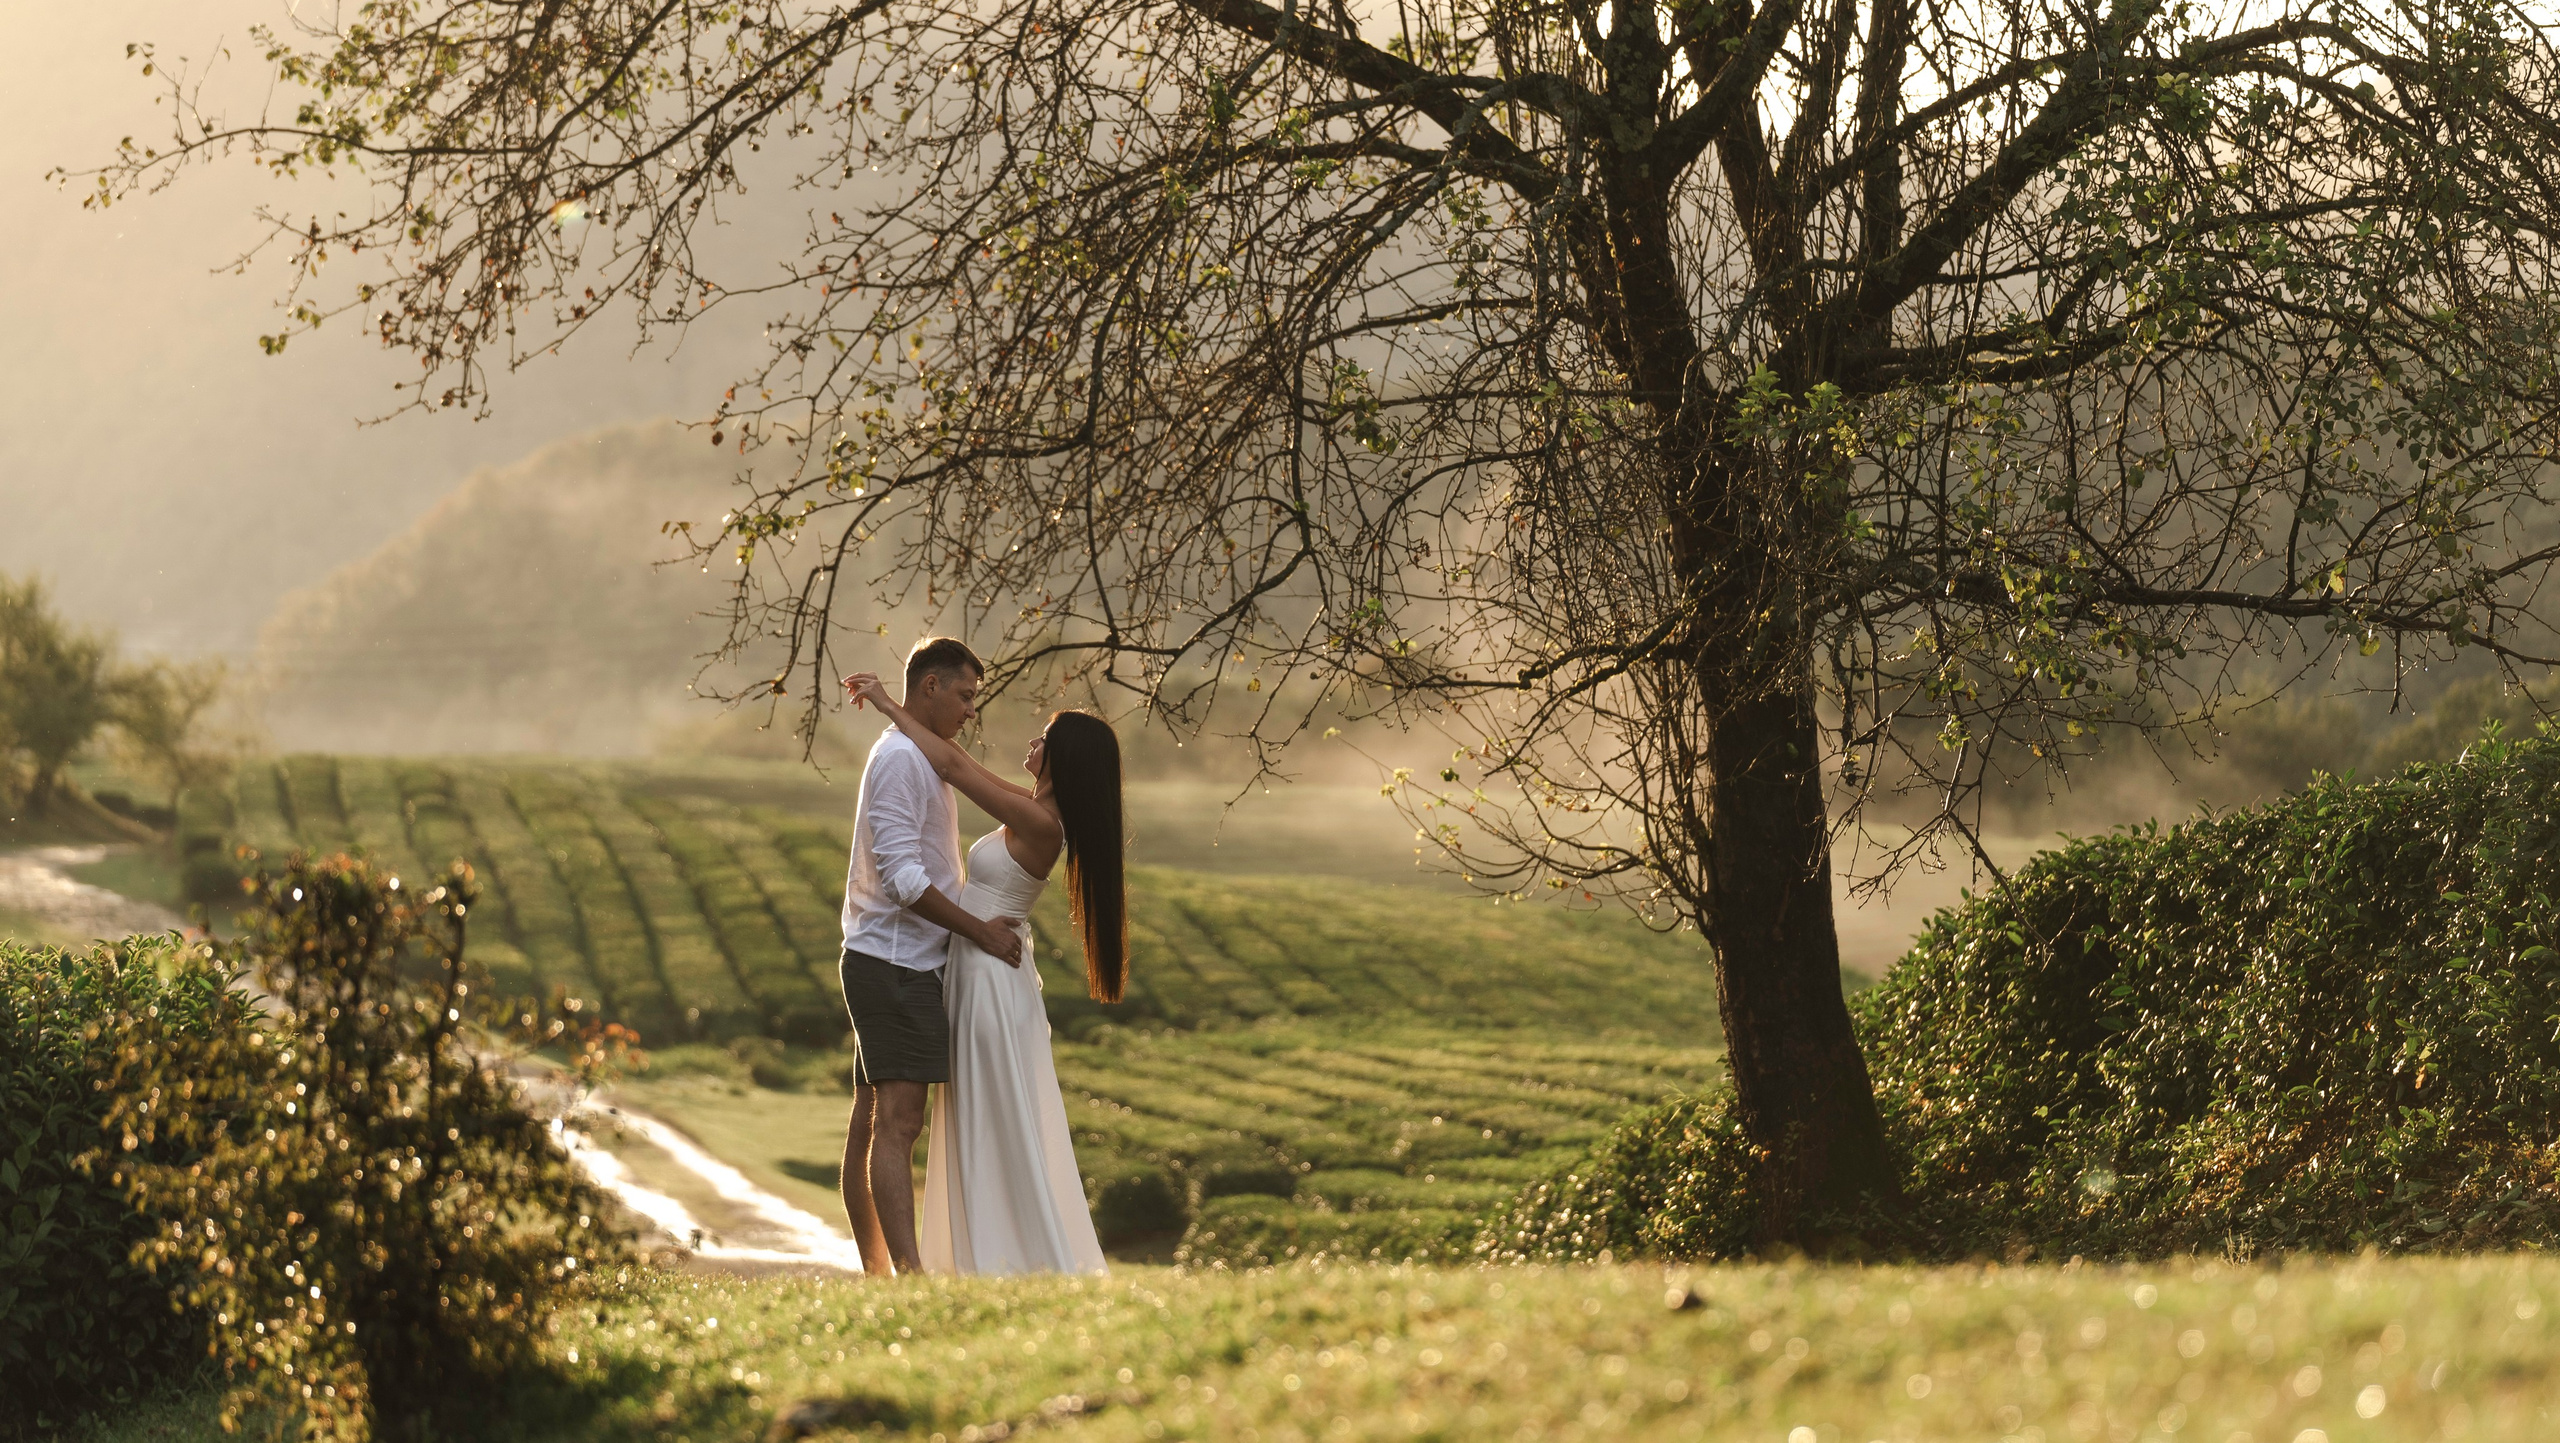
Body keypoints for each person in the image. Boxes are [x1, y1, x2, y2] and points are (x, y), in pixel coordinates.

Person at [844, 668, 1126, 1275]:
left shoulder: (1042, 824)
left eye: (1045, 735)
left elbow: (953, 767)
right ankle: (968, 1256)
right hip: (973, 971)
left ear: (1063, 757)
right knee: (970, 1114)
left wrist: (892, 705)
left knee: (993, 1115)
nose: (1033, 741)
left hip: (991, 979)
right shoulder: (1032, 809)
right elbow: (957, 761)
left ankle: (1004, 1257)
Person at [835, 637, 1026, 1276]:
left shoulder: (922, 753)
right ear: (932, 687)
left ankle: (880, 1273)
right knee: (899, 1120)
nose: (972, 711)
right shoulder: (899, 761)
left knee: (874, 1116)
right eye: (966, 695)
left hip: (901, 959)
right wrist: (981, 932)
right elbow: (903, 880)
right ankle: (908, 1277)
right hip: (895, 961)